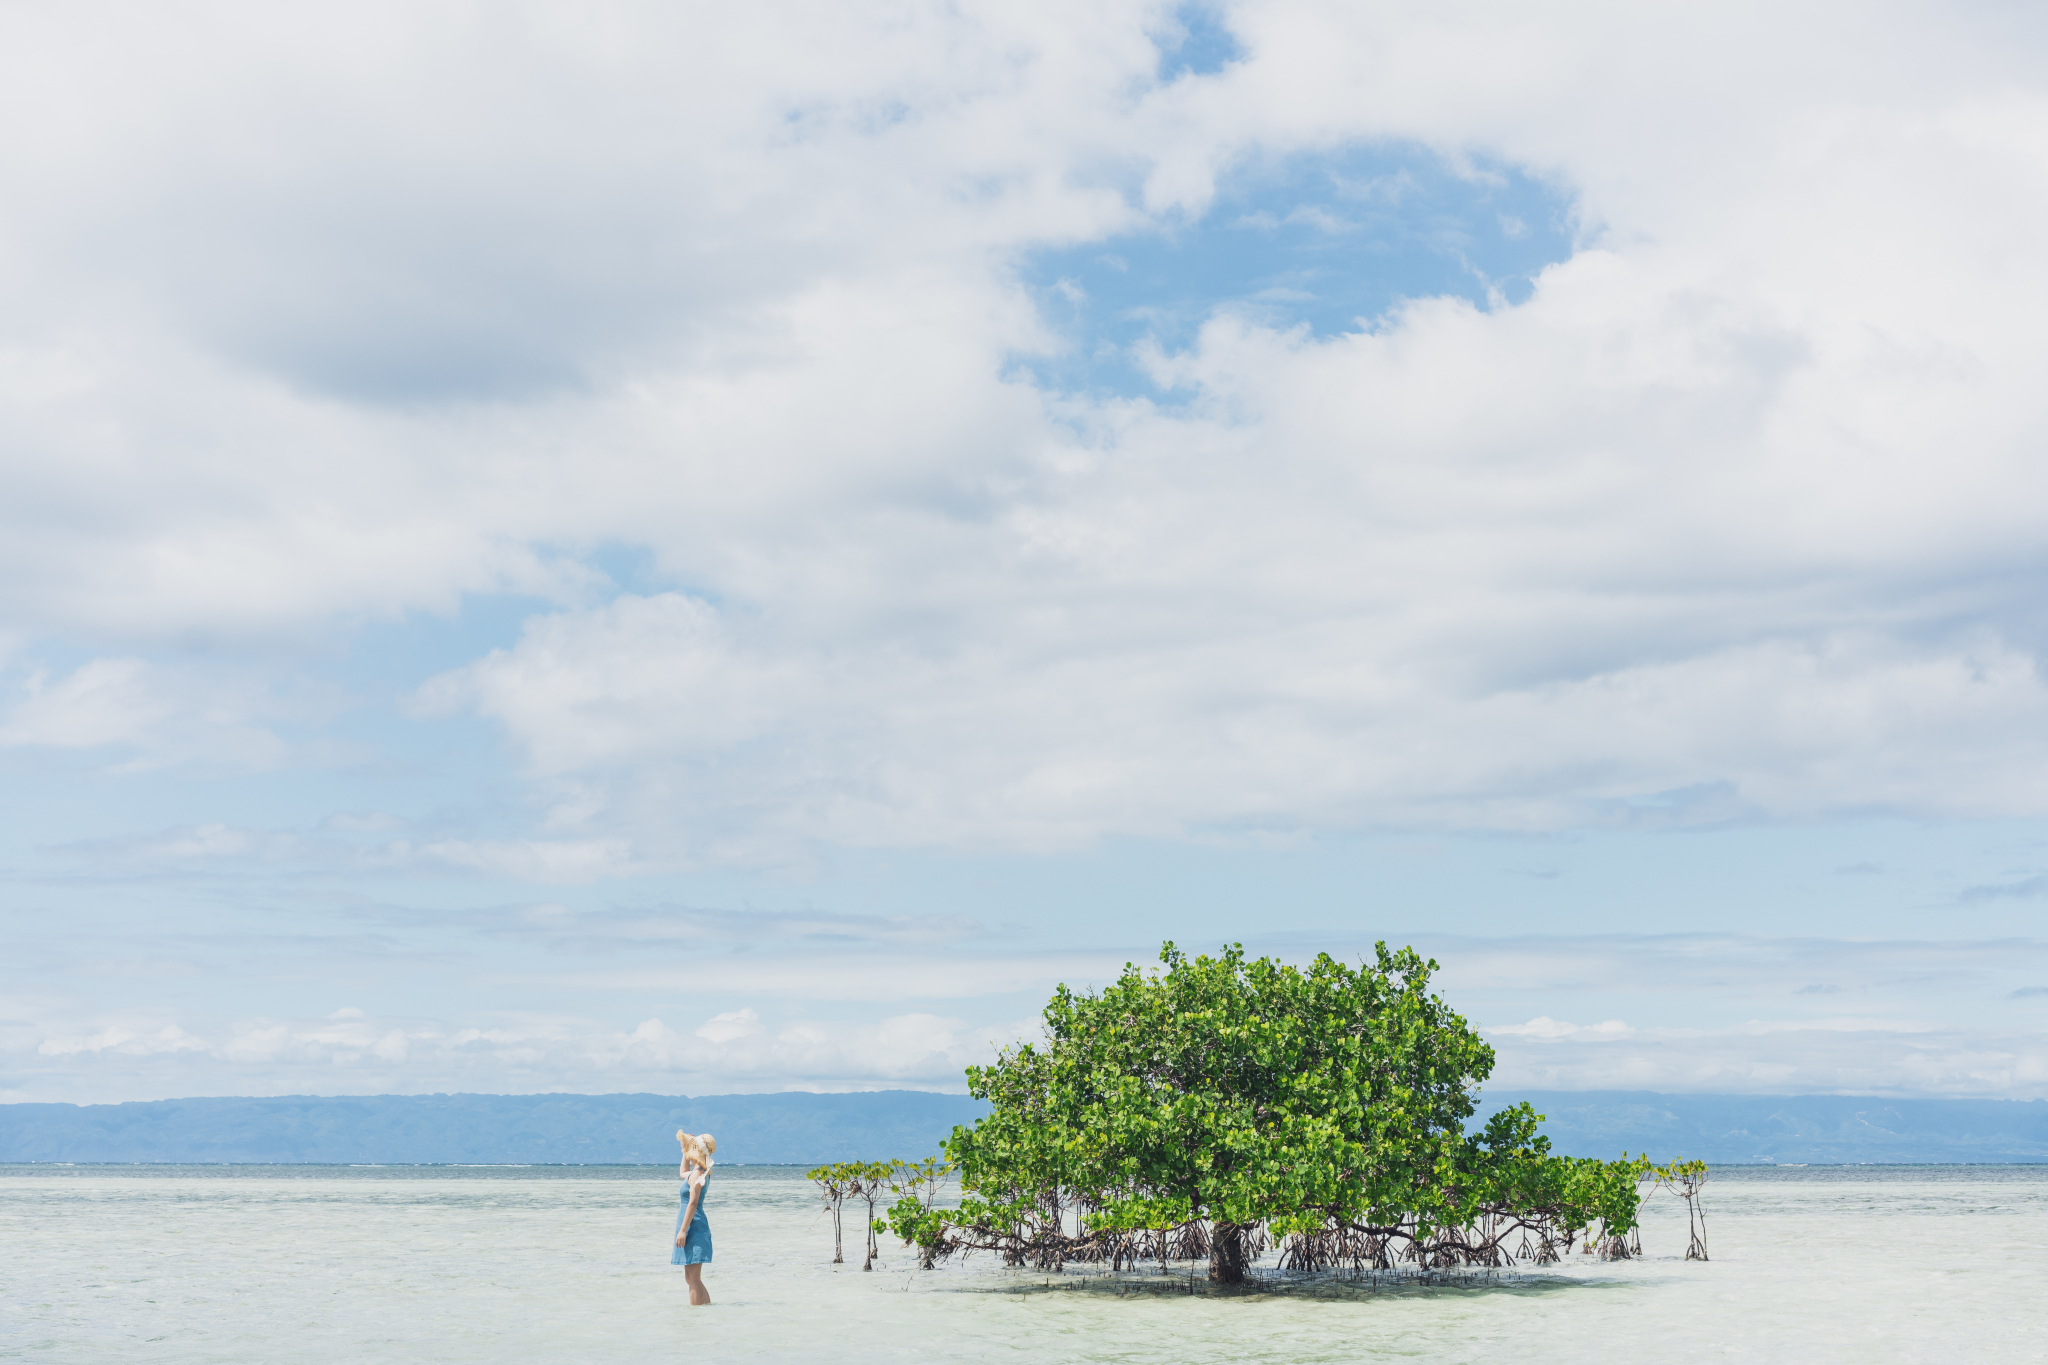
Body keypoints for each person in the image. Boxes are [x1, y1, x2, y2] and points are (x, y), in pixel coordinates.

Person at [672, 1129, 716, 1304]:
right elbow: (683, 1171)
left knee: (693, 1278)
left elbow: (693, 1202)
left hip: (693, 1226)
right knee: (691, 1278)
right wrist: (685, 1148)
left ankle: (695, 1315)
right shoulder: (696, 1173)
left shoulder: (698, 1174)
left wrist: (683, 1231)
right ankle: (704, 1312)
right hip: (692, 1225)